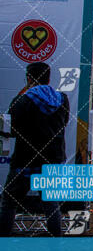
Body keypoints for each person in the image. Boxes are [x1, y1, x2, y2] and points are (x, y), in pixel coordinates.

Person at [0, 62, 69, 236]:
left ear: (29, 78)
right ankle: (56, 242)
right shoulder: (63, 99)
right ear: (49, 78)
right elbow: (64, 124)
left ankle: (4, 240)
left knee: (9, 201)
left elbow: (11, 129)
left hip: (25, 159)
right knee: (50, 202)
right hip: (53, 158)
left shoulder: (21, 100)